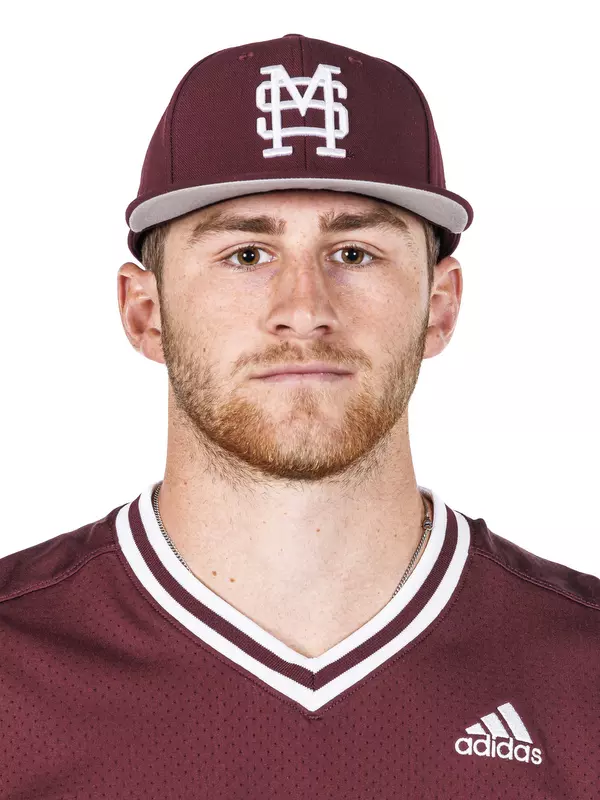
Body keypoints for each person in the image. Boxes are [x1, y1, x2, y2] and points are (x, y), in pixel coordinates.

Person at [1, 33, 598, 799]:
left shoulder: (585, 675)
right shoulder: (14, 673)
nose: (305, 311)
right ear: (145, 312)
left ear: (439, 307)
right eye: (246, 255)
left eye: (354, 252)